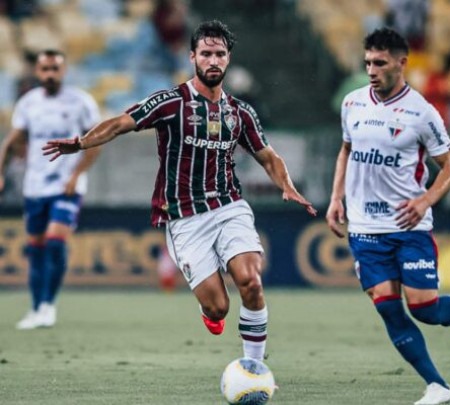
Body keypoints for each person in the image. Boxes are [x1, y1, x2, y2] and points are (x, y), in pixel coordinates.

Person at [43, 20, 316, 362]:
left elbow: (268, 156)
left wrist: (287, 187)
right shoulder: (171, 102)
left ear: (228, 59)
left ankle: (254, 366)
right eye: (206, 54)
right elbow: (120, 123)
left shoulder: (240, 112)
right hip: (185, 219)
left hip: (229, 206)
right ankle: (211, 313)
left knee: (251, 281)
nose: (213, 60)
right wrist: (82, 142)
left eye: (219, 54)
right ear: (192, 57)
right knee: (219, 308)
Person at [325, 28, 450, 405]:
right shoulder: (353, 103)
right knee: (389, 308)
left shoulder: (422, 113)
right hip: (365, 229)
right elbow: (345, 150)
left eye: (380, 62)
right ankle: (438, 386)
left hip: (408, 227)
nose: (371, 70)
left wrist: (425, 201)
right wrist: (335, 196)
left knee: (426, 309)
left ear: (401, 63)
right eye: (368, 62)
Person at [0, 49, 101, 330]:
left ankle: (47, 305)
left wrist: (77, 174)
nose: (50, 75)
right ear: (37, 72)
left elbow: (96, 142)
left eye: (55, 69)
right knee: (36, 248)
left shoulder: (81, 102)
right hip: (34, 186)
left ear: (64, 71)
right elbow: (12, 142)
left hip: (67, 185)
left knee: (55, 242)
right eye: (45, 69)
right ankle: (35, 308)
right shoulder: (28, 104)